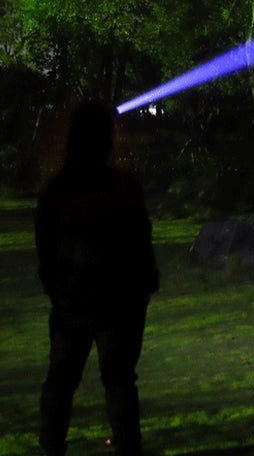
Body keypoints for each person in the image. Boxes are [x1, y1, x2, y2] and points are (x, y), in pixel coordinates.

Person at [35, 100, 160, 456]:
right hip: (119, 303)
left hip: (73, 301)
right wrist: (144, 285)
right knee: (119, 382)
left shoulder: (57, 190)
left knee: (61, 381)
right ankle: (126, 447)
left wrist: (57, 290)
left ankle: (51, 446)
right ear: (106, 138)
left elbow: (44, 247)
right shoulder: (124, 187)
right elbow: (140, 240)